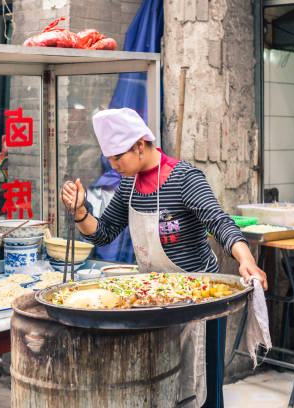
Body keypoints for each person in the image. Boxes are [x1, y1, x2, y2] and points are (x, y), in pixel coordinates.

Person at [60, 108, 267, 408]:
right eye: (111, 160)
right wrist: (80, 211)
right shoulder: (129, 183)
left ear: (140, 146)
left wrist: (245, 257)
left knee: (204, 389)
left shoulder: (185, 178)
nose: (115, 166)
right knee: (163, 385)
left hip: (199, 303)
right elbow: (102, 233)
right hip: (155, 300)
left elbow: (219, 221)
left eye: (119, 158)